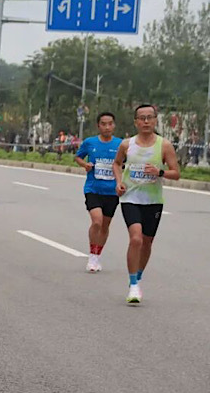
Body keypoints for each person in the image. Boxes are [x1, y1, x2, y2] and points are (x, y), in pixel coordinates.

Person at [112, 104, 180, 304]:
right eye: (142, 118)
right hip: (130, 198)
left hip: (153, 201)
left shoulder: (164, 145)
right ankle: (133, 285)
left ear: (156, 120)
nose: (146, 121)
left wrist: (159, 172)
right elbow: (117, 163)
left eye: (150, 117)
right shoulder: (127, 144)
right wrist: (118, 182)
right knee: (136, 239)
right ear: (136, 122)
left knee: (147, 242)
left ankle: (138, 276)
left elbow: (176, 173)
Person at [74, 112, 122, 273]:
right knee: (97, 221)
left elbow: (126, 165)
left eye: (110, 124)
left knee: (105, 225)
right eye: (103, 124)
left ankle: (98, 254)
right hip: (93, 188)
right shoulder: (90, 142)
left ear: (114, 125)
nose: (107, 127)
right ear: (98, 126)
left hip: (111, 191)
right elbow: (78, 157)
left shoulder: (121, 144)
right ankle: (92, 255)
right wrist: (84, 165)